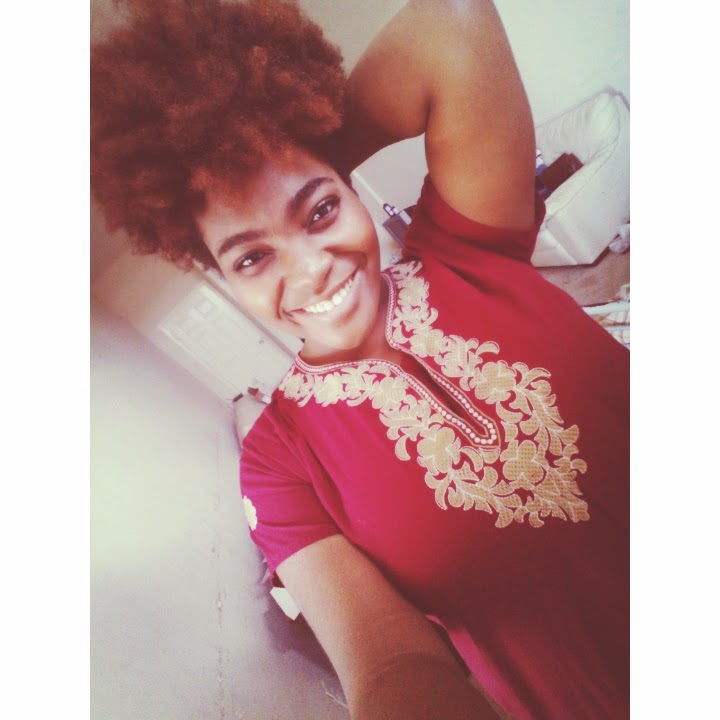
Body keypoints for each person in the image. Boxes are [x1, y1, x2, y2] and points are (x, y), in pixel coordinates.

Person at [91, 1, 630, 718]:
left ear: (350, 186)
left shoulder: (469, 246)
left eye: (320, 210)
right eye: (252, 257)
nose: (312, 268)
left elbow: (453, 24)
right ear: (223, 277)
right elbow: (390, 664)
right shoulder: (280, 464)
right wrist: (283, 172)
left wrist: (285, 141)